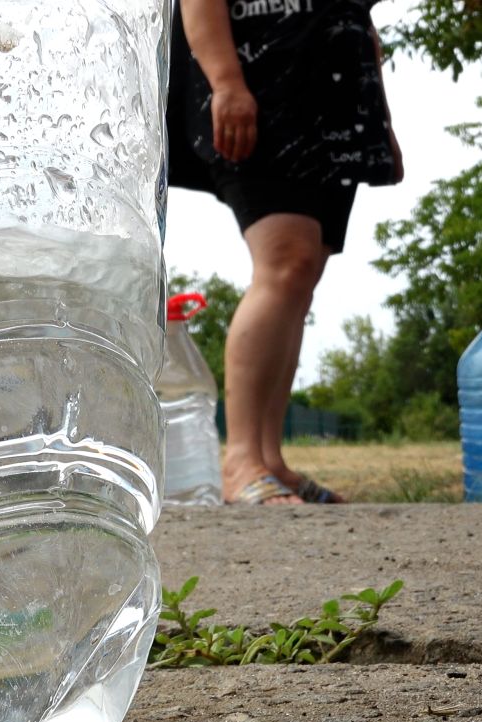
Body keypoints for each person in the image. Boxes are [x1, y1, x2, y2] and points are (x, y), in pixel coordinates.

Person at [168, 0, 403, 504]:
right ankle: (239, 462)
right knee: (284, 261)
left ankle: (269, 460)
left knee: (302, 272)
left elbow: (356, 16)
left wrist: (378, 115)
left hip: (334, 104)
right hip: (260, 82)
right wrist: (226, 83)